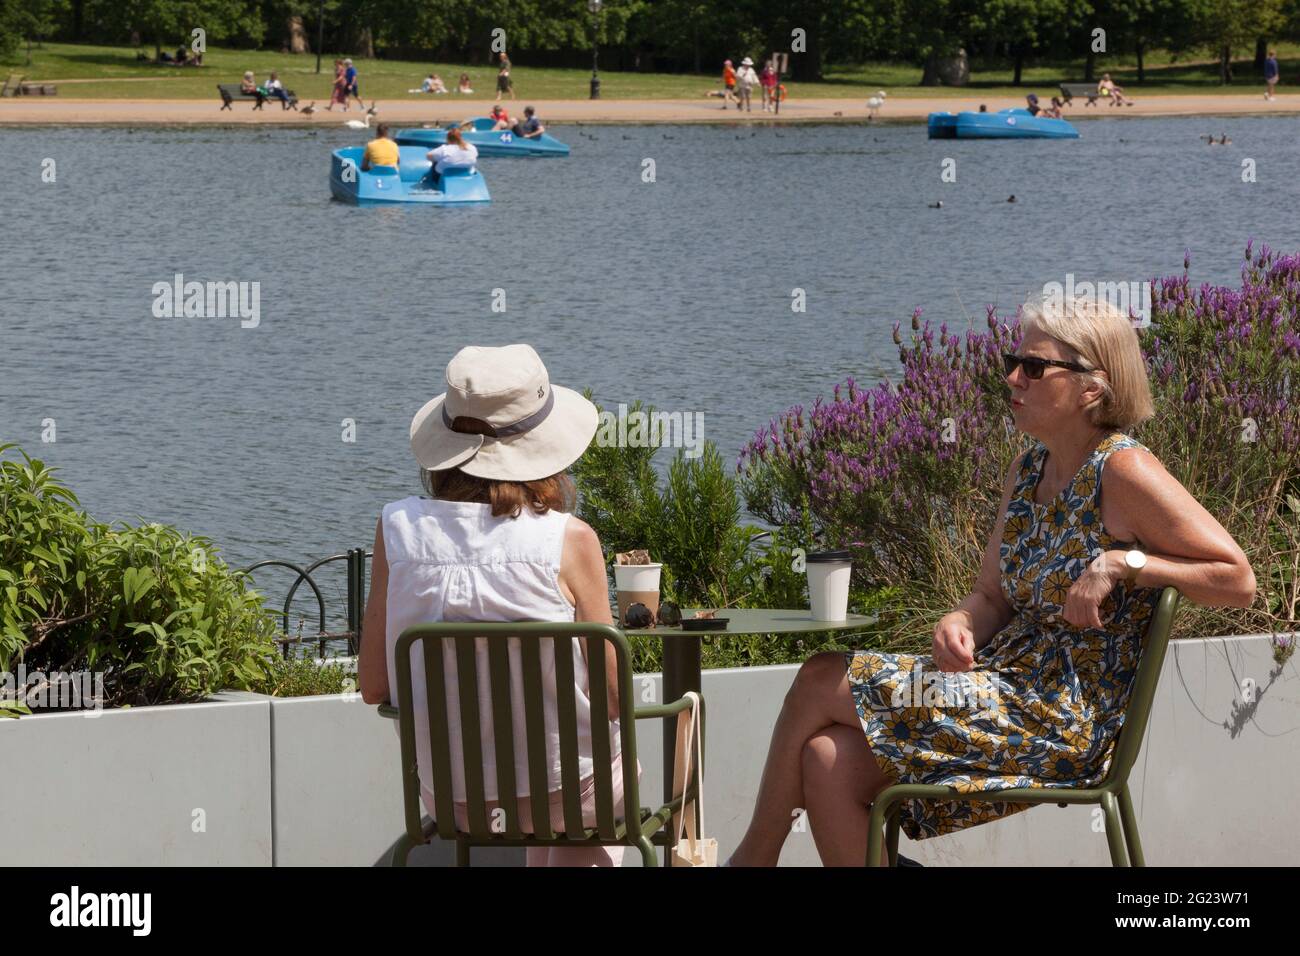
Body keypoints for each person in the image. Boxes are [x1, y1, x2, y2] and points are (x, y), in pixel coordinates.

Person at [726, 295, 1256, 867]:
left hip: (1059, 718)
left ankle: (751, 862)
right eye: (1014, 362)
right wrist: (957, 621)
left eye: (1034, 367)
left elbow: (1237, 578)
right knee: (827, 759)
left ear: (1092, 387)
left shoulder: (1122, 470)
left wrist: (1121, 564)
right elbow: (991, 597)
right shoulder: (1028, 468)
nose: (1013, 378)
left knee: (818, 677)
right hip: (1001, 689)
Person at [358, 344, 641, 867]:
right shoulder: (570, 540)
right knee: (645, 764)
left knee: (559, 800)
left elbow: (375, 685)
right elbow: (612, 698)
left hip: (456, 803)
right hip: (572, 797)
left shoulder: (396, 530)